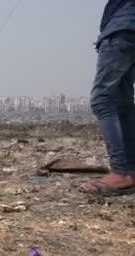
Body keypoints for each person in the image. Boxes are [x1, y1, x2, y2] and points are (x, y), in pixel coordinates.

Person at [81, 0, 135, 196]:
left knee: (102, 99)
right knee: (124, 103)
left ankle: (120, 171)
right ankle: (129, 171)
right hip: (128, 30)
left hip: (121, 29)